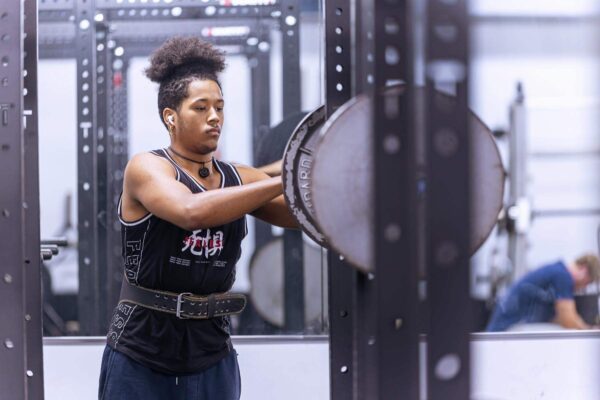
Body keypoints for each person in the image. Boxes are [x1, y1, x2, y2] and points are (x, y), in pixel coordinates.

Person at [99, 36, 297, 400]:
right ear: (170, 117)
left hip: (212, 350)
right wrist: (286, 176)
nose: (214, 117)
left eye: (220, 107)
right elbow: (191, 211)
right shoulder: (147, 167)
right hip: (142, 349)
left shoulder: (237, 177)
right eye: (201, 107)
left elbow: (304, 212)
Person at [486, 253, 600, 332]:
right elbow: (568, 320)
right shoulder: (563, 277)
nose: (583, 288)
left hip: (501, 331)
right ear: (584, 271)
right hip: (505, 332)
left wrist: (587, 328)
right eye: (587, 283)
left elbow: (560, 319)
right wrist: (589, 331)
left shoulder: (556, 273)